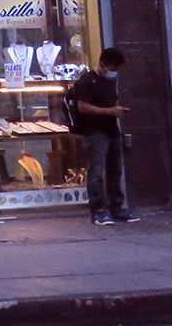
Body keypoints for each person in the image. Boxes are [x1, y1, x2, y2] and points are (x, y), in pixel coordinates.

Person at [70, 47, 137, 224]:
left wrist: (116, 111)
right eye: (112, 69)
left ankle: (117, 207)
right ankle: (97, 210)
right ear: (102, 65)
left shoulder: (110, 82)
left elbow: (110, 102)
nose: (114, 73)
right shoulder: (87, 80)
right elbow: (82, 106)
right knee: (96, 172)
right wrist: (110, 111)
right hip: (94, 131)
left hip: (111, 130)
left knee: (115, 170)